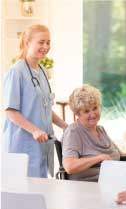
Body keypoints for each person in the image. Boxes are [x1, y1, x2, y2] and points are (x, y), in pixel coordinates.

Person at [3, 24, 67, 178]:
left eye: (48, 42)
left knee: (40, 189)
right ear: (27, 43)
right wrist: (35, 130)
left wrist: (65, 126)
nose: (45, 46)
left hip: (42, 144)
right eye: (41, 42)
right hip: (23, 144)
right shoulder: (16, 72)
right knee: (23, 193)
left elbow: (44, 108)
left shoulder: (43, 71)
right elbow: (11, 111)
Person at [62, 85, 126, 182]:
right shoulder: (73, 132)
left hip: (114, 179)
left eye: (95, 108)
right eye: (86, 111)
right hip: (92, 184)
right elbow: (69, 166)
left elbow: (119, 156)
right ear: (78, 114)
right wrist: (99, 158)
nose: (93, 114)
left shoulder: (100, 130)